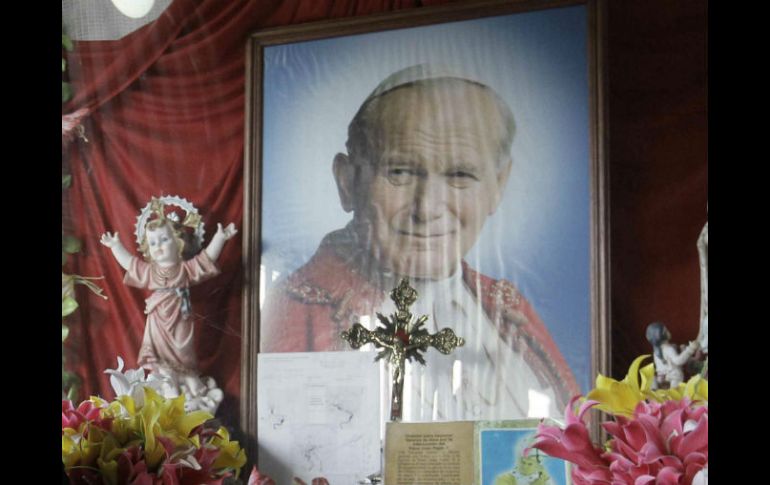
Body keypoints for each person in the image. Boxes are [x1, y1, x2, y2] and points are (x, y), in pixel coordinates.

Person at [261, 64, 580, 420]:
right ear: (347, 181)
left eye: (461, 175)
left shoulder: (506, 309)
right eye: (400, 172)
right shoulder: (297, 311)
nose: (427, 209)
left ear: (498, 186)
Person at [100, 198, 237, 398]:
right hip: (158, 319)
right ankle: (167, 383)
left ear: (179, 241)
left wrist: (220, 238)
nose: (159, 246)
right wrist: (115, 246)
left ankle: (189, 379)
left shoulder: (184, 269)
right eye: (153, 242)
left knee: (183, 349)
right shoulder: (150, 271)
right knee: (160, 355)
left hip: (180, 316)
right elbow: (131, 264)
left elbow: (206, 259)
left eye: (164, 239)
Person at [645, 322, 699, 389]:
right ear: (662, 335)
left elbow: (663, 364)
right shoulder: (668, 349)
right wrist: (690, 349)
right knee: (675, 392)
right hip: (674, 376)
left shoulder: (656, 352)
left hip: (661, 377)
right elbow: (678, 361)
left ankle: (655, 391)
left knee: (653, 380)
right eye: (666, 330)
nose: (668, 331)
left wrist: (680, 349)